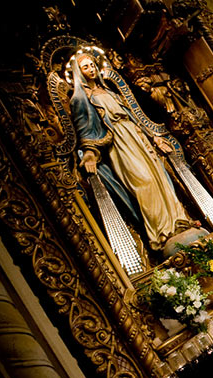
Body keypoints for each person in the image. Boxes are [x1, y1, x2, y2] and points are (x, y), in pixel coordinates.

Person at [70, 50, 191, 252]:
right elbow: (85, 130)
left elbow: (133, 116)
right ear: (78, 72)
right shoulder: (79, 99)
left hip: (136, 136)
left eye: (92, 65)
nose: (91, 70)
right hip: (117, 142)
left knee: (159, 176)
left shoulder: (109, 92)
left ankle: (178, 222)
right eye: (85, 67)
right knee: (145, 181)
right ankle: (161, 233)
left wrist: (154, 137)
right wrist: (90, 153)